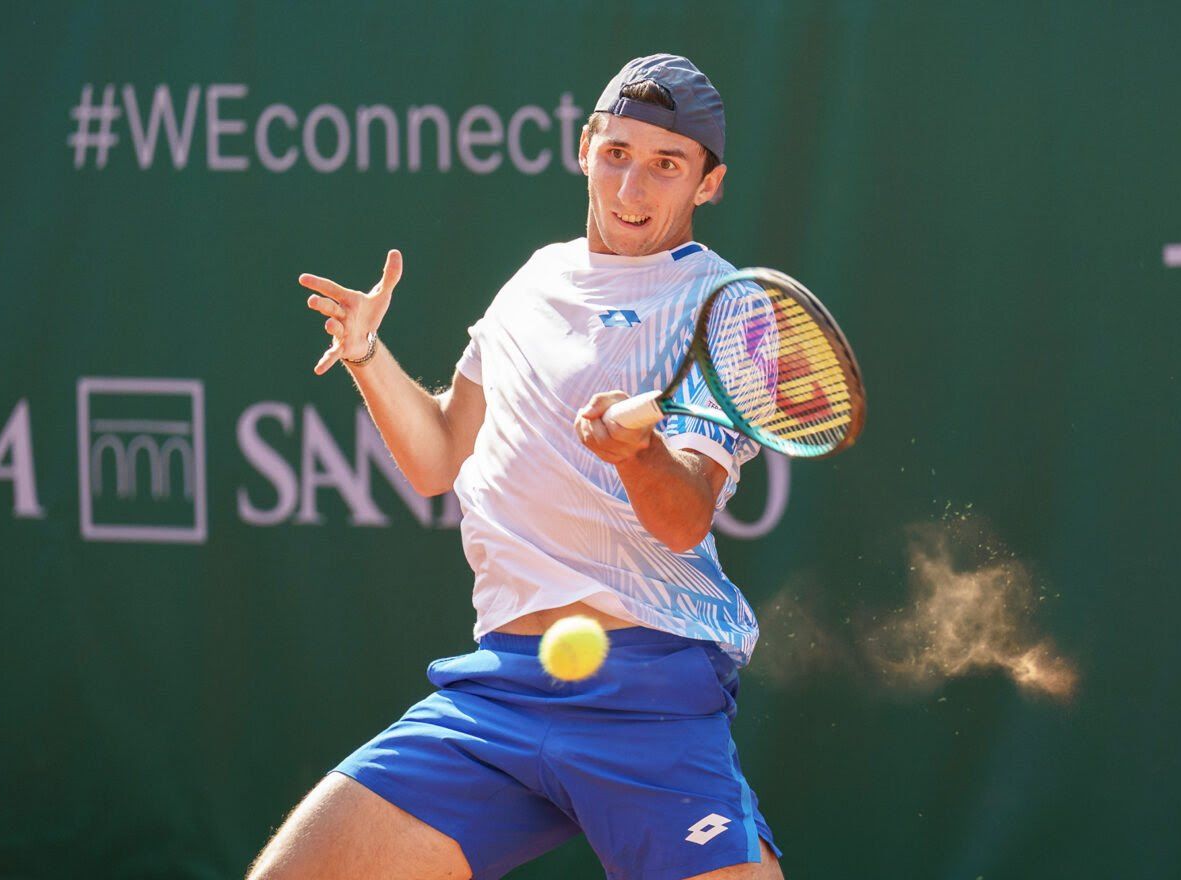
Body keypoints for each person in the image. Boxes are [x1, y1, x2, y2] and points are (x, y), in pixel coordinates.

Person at [247, 54, 784, 880]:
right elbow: (437, 457)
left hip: (647, 690)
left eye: (666, 166)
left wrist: (639, 455)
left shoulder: (733, 306)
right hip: (502, 689)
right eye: (617, 155)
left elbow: (682, 518)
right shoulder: (535, 278)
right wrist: (366, 355)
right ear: (584, 148)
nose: (631, 190)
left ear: (708, 184)